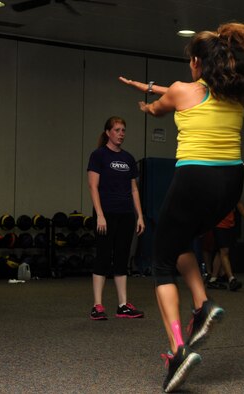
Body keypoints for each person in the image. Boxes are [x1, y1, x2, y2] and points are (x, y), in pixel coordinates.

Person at [119, 22, 244, 392]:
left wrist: (147, 100)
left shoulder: (181, 91)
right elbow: (193, 92)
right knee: (180, 242)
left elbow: (161, 108)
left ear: (196, 62)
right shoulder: (236, 93)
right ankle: (203, 305)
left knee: (161, 262)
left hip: (195, 179)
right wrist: (150, 87)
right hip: (231, 184)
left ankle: (177, 349)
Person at [87, 116, 145, 321]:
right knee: (103, 257)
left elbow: (134, 189)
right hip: (106, 213)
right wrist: (100, 215)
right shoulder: (98, 156)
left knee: (121, 258)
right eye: (117, 130)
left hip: (126, 214)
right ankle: (97, 305)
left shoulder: (129, 158)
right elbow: (93, 186)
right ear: (108, 133)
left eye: (123, 130)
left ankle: (122, 305)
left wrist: (140, 216)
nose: (121, 133)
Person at [207, 201, 244, 291]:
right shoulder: (219, 190)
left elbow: (238, 203)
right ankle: (231, 279)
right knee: (224, 252)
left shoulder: (232, 190)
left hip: (229, 224)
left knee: (219, 252)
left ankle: (213, 280)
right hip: (219, 225)